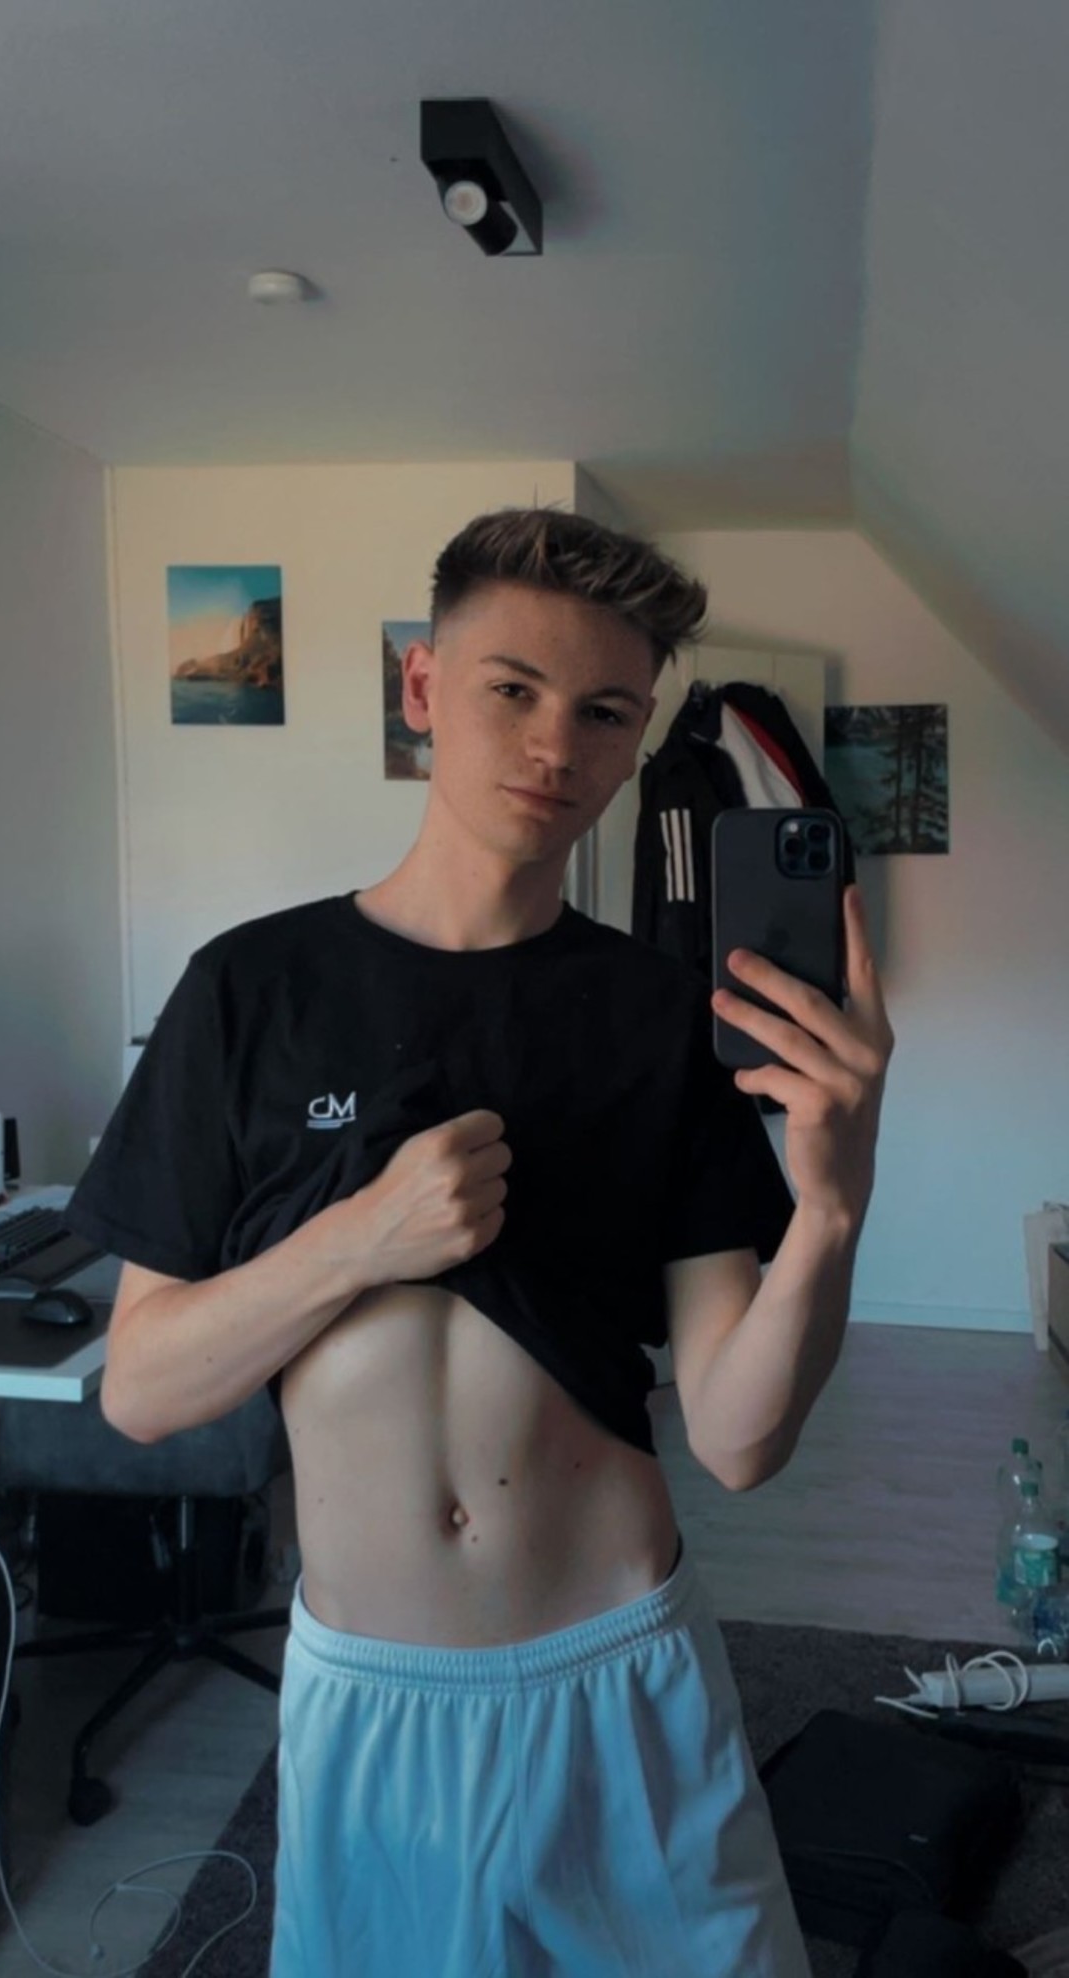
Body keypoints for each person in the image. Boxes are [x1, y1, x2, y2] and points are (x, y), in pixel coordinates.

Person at [66, 506, 893, 1977]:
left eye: (606, 712)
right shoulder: (248, 992)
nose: (555, 744)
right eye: (513, 688)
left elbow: (739, 1439)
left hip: (619, 1675)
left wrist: (833, 1202)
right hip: (369, 1699)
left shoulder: (661, 1018)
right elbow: (139, 1388)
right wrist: (357, 1240)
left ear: (635, 745)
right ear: (424, 688)